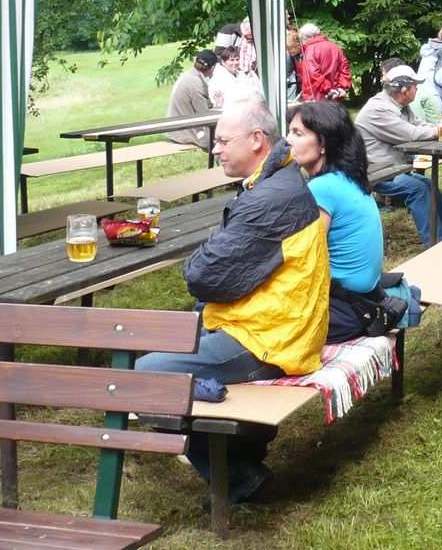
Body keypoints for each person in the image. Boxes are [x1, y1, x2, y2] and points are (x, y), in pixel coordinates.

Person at [135, 100, 329, 506]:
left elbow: (202, 276)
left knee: (142, 374)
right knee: (166, 336)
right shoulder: (279, 179)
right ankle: (244, 451)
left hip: (272, 340)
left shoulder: (269, 198)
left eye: (223, 141)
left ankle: (236, 473)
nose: (215, 149)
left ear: (257, 139)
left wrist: (206, 257)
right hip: (279, 326)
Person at [286, 102, 384, 343]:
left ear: (323, 144)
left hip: (343, 309)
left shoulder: (322, 188)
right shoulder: (346, 177)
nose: (287, 141)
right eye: (289, 132)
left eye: (298, 133)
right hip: (366, 298)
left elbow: (304, 259)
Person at [355, 65, 442, 247]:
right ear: (404, 90)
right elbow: (411, 134)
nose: (417, 89)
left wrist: (439, 127)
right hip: (374, 173)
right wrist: (440, 130)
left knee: (428, 184)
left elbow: (420, 125)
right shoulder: (379, 109)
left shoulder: (401, 106)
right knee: (418, 189)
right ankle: (437, 245)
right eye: (415, 86)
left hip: (392, 168)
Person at [165, 49, 217, 148]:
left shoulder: (189, 75)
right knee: (223, 139)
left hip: (174, 128)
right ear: (212, 68)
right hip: (183, 133)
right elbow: (204, 114)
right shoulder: (197, 83)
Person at [297, 22, 352, 102]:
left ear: (310, 37)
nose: (303, 42)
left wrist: (328, 89)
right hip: (335, 95)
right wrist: (342, 87)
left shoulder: (310, 50)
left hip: (317, 96)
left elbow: (314, 74)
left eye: (303, 39)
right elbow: (344, 69)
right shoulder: (335, 47)